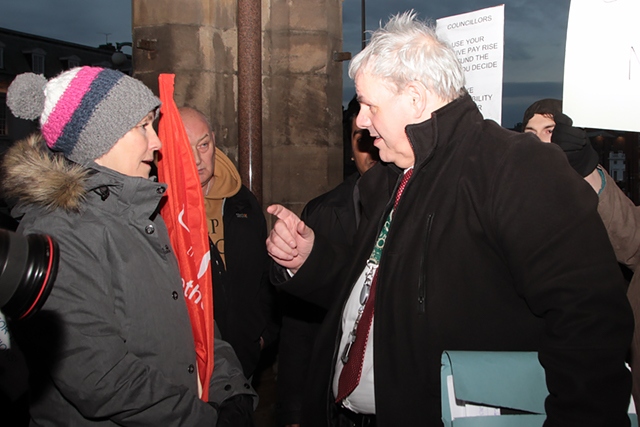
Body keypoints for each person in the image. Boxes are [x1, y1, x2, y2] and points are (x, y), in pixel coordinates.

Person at [265, 11, 634, 427]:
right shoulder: (394, 176)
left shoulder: (515, 167)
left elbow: (589, 321)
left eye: (369, 104)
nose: (362, 120)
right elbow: (382, 290)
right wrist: (311, 259)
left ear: (416, 98)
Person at [1, 66, 257, 425]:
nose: (157, 142)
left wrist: (229, 391)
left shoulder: (144, 214)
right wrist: (204, 420)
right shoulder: (55, 232)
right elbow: (99, 377)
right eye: (143, 127)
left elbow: (192, 316)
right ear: (99, 139)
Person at [522, 97, 640, 409]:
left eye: (552, 130)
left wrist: (586, 170)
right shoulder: (504, 202)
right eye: (531, 133)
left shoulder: (586, 210)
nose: (543, 141)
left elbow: (629, 239)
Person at [276, 96, 379, 427]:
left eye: (375, 133)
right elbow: (299, 326)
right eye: (358, 138)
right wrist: (293, 412)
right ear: (349, 148)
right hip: (332, 398)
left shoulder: (419, 206)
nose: (370, 148)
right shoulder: (322, 213)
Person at [179, 107, 278, 379]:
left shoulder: (241, 201)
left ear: (213, 140)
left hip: (240, 358)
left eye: (204, 145)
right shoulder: (157, 209)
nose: (198, 159)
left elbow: (263, 272)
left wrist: (262, 334)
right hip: (182, 364)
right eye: (185, 148)